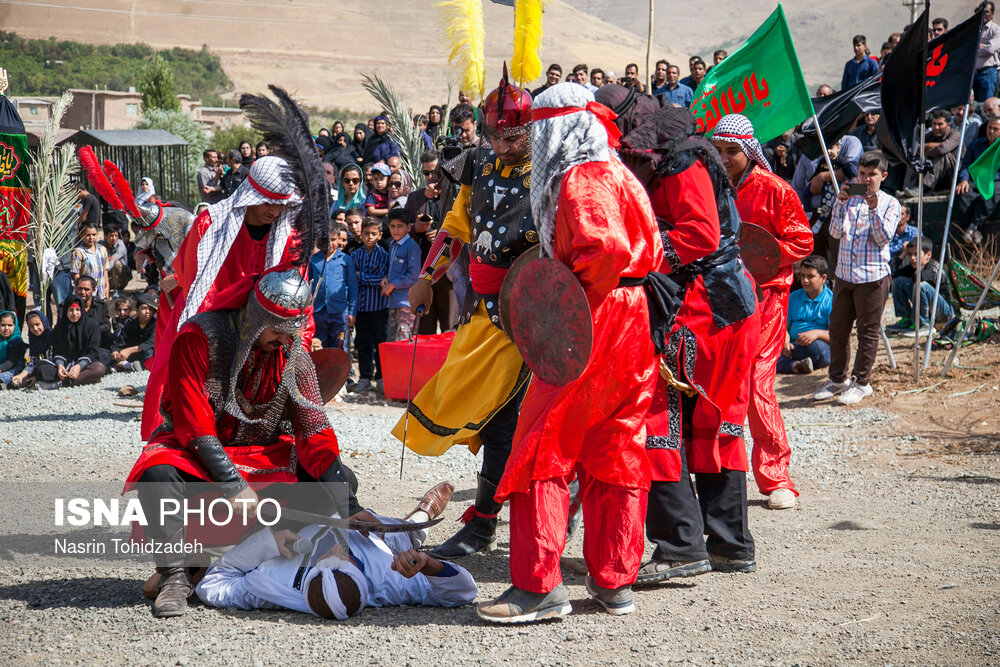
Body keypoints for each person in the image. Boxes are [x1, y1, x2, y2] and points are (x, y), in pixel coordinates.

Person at [476, 82, 661, 623]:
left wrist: (565, 304)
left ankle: (538, 586)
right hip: (633, 313)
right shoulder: (622, 174)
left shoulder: (583, 177)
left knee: (542, 441)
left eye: (539, 129)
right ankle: (614, 579)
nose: (532, 140)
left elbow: (604, 248)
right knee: (616, 441)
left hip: (592, 313)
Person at [124, 268, 360, 618]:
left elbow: (314, 431)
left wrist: (351, 505)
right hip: (196, 449)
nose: (284, 337)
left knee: (338, 482)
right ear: (255, 314)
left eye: (290, 328)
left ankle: (268, 553)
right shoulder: (199, 336)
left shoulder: (292, 352)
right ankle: (175, 574)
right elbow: (193, 424)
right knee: (157, 475)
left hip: (261, 451)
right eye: (277, 327)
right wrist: (233, 484)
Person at [396, 72, 536, 560]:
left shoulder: (550, 170)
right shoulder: (477, 165)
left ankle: (487, 524)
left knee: (505, 422)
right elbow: (456, 229)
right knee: (487, 419)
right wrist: (426, 278)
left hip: (532, 316)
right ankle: (488, 522)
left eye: (512, 135)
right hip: (482, 314)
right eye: (496, 134)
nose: (502, 144)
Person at [620, 104, 760, 583]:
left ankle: (681, 546)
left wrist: (635, 251)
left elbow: (700, 234)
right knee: (713, 425)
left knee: (663, 422)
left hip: (701, 312)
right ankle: (728, 545)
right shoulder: (681, 157)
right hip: (721, 308)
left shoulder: (678, 162)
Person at [141, 155, 317, 440]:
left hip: (268, 333)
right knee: (195, 411)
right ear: (250, 195)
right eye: (267, 202)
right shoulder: (210, 225)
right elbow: (198, 285)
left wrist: (300, 342)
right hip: (215, 327)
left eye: (281, 204)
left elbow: (296, 293)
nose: (274, 211)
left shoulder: (291, 237)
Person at [714, 113, 813, 510]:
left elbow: (802, 241)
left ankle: (776, 477)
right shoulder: (715, 187)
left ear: (750, 150)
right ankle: (720, 471)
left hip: (768, 298)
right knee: (721, 380)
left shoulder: (776, 190)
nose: (724, 159)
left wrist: (764, 256)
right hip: (722, 296)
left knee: (756, 383)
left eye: (731, 152)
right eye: (718, 151)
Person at [195, 486, 475, 619]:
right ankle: (421, 515)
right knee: (406, 537)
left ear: (309, 576)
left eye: (326, 557)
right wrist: (429, 566)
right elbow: (463, 592)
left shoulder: (272, 584)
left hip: (297, 521)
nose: (337, 547)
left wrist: (266, 543)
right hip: (375, 539)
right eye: (345, 558)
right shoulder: (389, 583)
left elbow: (212, 584)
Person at [813, 151, 900, 406]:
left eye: (871, 175)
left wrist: (873, 209)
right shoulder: (849, 200)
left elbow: (883, 238)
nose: (866, 179)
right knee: (837, 329)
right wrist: (840, 202)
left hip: (872, 276)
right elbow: (835, 232)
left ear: (883, 176)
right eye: (862, 174)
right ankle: (837, 379)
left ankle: (861, 383)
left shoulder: (890, 203)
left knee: (868, 332)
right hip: (844, 275)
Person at [348, 217, 389, 394]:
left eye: (373, 233)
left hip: (379, 307)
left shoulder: (384, 255)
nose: (369, 237)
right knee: (363, 343)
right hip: (362, 307)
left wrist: (361, 276)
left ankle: (381, 378)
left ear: (379, 235)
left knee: (380, 343)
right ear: (361, 235)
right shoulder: (355, 255)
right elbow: (353, 279)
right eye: (366, 234)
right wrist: (368, 279)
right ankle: (364, 377)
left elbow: (381, 279)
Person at [887, 238, 954, 337]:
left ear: (928, 255)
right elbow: (891, 273)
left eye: (916, 254)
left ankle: (924, 325)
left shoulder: (934, 268)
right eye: (910, 255)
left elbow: (923, 278)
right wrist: (903, 255)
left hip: (944, 312)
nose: (912, 258)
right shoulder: (914, 267)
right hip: (929, 310)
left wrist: (918, 271)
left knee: (921, 285)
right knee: (898, 281)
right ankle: (907, 319)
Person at [777, 255, 832, 375]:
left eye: (810, 276)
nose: (805, 280)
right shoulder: (793, 297)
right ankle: (796, 366)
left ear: (823, 278)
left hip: (816, 345)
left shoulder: (831, 300)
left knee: (819, 351)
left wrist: (816, 334)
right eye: (802, 276)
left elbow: (836, 335)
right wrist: (785, 343)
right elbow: (785, 327)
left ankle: (788, 364)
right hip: (792, 345)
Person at [308, 222, 357, 351]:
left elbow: (352, 287)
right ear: (319, 240)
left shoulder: (345, 260)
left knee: (340, 346)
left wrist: (352, 312)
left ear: (339, 239)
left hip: (339, 311)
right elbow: (308, 286)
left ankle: (342, 371)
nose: (330, 244)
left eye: (333, 239)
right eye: (326, 240)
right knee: (319, 346)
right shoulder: (313, 260)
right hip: (318, 311)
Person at [955, 116, 1000, 244]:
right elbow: (966, 165)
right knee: (963, 194)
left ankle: (973, 226)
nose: (991, 131)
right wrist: (963, 179)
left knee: (990, 195)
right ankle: (968, 230)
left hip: (995, 180)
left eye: (996, 129)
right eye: (989, 128)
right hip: (976, 179)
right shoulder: (976, 145)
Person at [50, 295, 106, 388]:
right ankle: (83, 379)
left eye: (78, 310)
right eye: (71, 310)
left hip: (85, 364)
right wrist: (60, 365)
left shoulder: (92, 326)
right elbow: (57, 350)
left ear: (82, 310)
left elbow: (93, 351)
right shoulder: (60, 327)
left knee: (99, 368)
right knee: (42, 369)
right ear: (66, 311)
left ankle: (61, 383)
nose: (74, 313)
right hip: (66, 364)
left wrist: (79, 366)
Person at [382, 208, 421, 342]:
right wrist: (387, 279)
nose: (396, 230)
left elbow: (413, 275)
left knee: (404, 342)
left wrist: (392, 285)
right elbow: (393, 270)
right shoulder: (393, 244)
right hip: (393, 301)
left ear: (409, 227)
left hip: (406, 303)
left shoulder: (412, 246)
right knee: (392, 340)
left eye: (400, 226)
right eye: (392, 226)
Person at [905, 110, 960, 192]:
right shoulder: (931, 134)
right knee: (914, 157)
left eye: (940, 124)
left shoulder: (955, 134)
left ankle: (921, 188)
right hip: (934, 174)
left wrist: (927, 148)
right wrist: (927, 148)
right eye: (934, 124)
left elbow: (942, 149)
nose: (936, 127)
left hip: (952, 175)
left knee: (943, 156)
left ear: (948, 125)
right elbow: (916, 148)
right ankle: (908, 188)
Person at [110, 292, 157, 372]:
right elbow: (120, 341)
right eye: (144, 308)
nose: (148, 312)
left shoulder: (156, 324)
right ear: (137, 310)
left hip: (146, 353)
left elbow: (150, 343)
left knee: (149, 353)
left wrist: (129, 350)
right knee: (111, 356)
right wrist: (115, 352)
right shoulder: (130, 324)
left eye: (150, 309)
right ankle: (130, 365)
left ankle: (129, 365)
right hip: (134, 355)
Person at [8, 310, 52, 389]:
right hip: (38, 369)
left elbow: (53, 361)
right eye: (31, 326)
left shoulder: (52, 338)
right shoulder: (34, 339)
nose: (35, 328)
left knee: (42, 371)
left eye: (37, 324)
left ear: (44, 323)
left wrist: (37, 376)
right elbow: (33, 361)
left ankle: (41, 380)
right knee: (17, 382)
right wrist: (21, 376)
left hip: (52, 368)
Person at [71, 223, 110, 300]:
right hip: (86, 293)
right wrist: (82, 290)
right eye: (88, 235)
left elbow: (105, 269)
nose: (91, 237)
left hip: (100, 290)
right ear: (81, 235)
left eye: (93, 234)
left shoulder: (102, 250)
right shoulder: (78, 252)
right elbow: (75, 273)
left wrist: (107, 286)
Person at [975, 1, 1000, 102]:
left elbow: (989, 49)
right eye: (980, 11)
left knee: (985, 104)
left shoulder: (996, 30)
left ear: (992, 14)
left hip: (987, 73)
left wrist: (975, 47)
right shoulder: (974, 29)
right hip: (972, 73)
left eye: (986, 12)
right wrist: (982, 46)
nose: (983, 14)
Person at [0, 310, 25, 389]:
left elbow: (11, 361)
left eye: (10, 325)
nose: (6, 328)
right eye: (3, 325)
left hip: (13, 370)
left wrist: (1, 368)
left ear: (15, 325)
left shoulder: (16, 341)